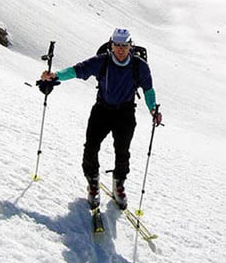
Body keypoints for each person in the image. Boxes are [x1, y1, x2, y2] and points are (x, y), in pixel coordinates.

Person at [39, 28, 162, 210]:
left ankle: (118, 185)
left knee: (122, 151)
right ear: (112, 45)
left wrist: (153, 108)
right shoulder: (102, 61)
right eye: (117, 45)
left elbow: (148, 90)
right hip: (102, 110)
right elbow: (77, 70)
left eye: (124, 45)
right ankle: (93, 183)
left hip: (125, 113)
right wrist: (55, 76)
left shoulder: (139, 66)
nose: (120, 49)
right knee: (91, 147)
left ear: (130, 46)